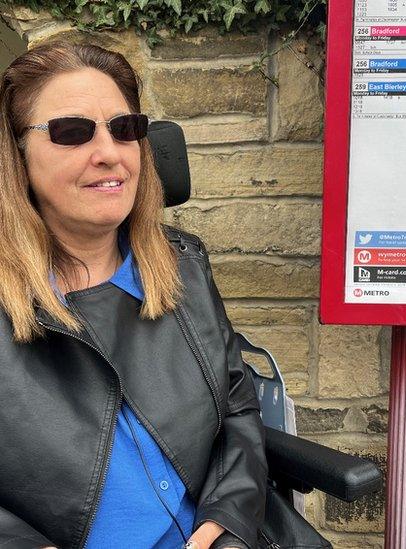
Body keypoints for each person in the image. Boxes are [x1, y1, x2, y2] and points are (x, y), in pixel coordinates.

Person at [0, 43, 265, 548]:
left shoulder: (182, 265)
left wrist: (230, 518)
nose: (109, 153)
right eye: (72, 133)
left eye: (125, 129)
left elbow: (238, 410)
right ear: (17, 155)